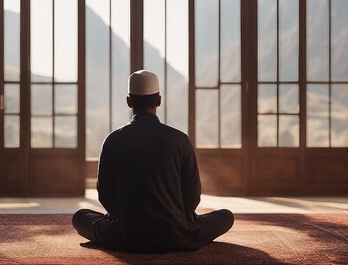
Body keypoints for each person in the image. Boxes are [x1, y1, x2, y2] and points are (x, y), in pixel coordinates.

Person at [72, 70, 234, 252]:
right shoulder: (179, 139)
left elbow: (106, 197)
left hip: (124, 235)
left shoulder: (113, 140)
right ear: (158, 100)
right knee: (226, 216)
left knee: (80, 217)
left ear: (129, 101)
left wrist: (125, 219)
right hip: (176, 234)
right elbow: (191, 199)